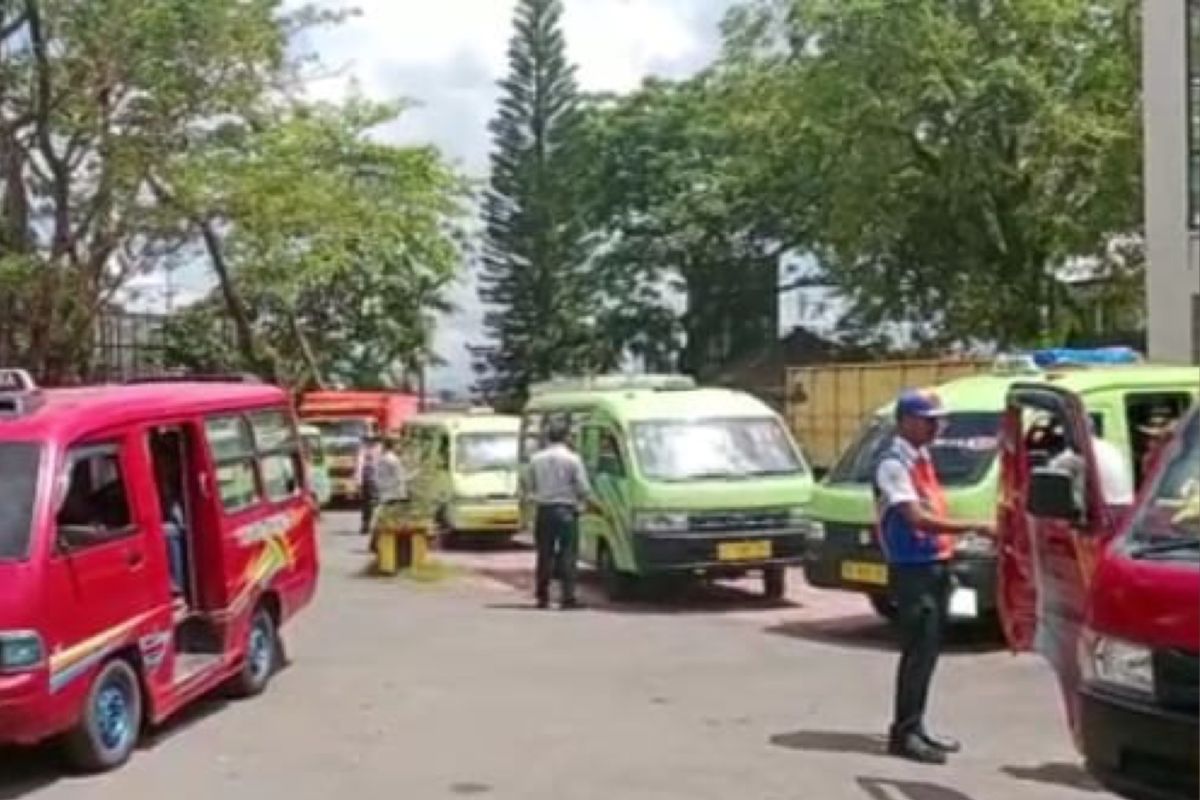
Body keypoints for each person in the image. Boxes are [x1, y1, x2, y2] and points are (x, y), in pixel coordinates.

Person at [874, 390, 994, 765]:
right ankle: (904, 732)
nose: (937, 427)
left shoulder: (920, 457)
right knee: (918, 652)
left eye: (939, 420)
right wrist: (974, 526)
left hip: (932, 561)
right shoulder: (893, 463)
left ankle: (916, 726)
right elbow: (916, 518)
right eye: (930, 420)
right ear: (907, 421)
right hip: (912, 568)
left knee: (928, 653)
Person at [522, 419, 597, 610]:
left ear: (548, 437)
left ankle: (542, 596)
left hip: (544, 510)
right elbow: (583, 487)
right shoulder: (573, 459)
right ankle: (568, 597)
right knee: (568, 555)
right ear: (566, 437)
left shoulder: (536, 459)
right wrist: (588, 504)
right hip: (566, 510)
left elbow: (529, 486)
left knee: (544, 555)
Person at [359, 435, 381, 537]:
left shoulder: (365, 450)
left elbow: (359, 466)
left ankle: (367, 525)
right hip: (371, 481)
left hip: (371, 481)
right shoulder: (377, 450)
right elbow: (359, 466)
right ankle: (367, 525)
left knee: (368, 504)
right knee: (370, 504)